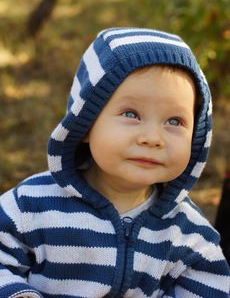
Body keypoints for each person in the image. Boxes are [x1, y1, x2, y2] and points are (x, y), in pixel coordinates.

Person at [0, 27, 229, 298]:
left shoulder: (188, 231)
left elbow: (211, 289)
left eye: (174, 121)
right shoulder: (31, 205)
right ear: (84, 124)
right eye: (131, 114)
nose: (152, 138)